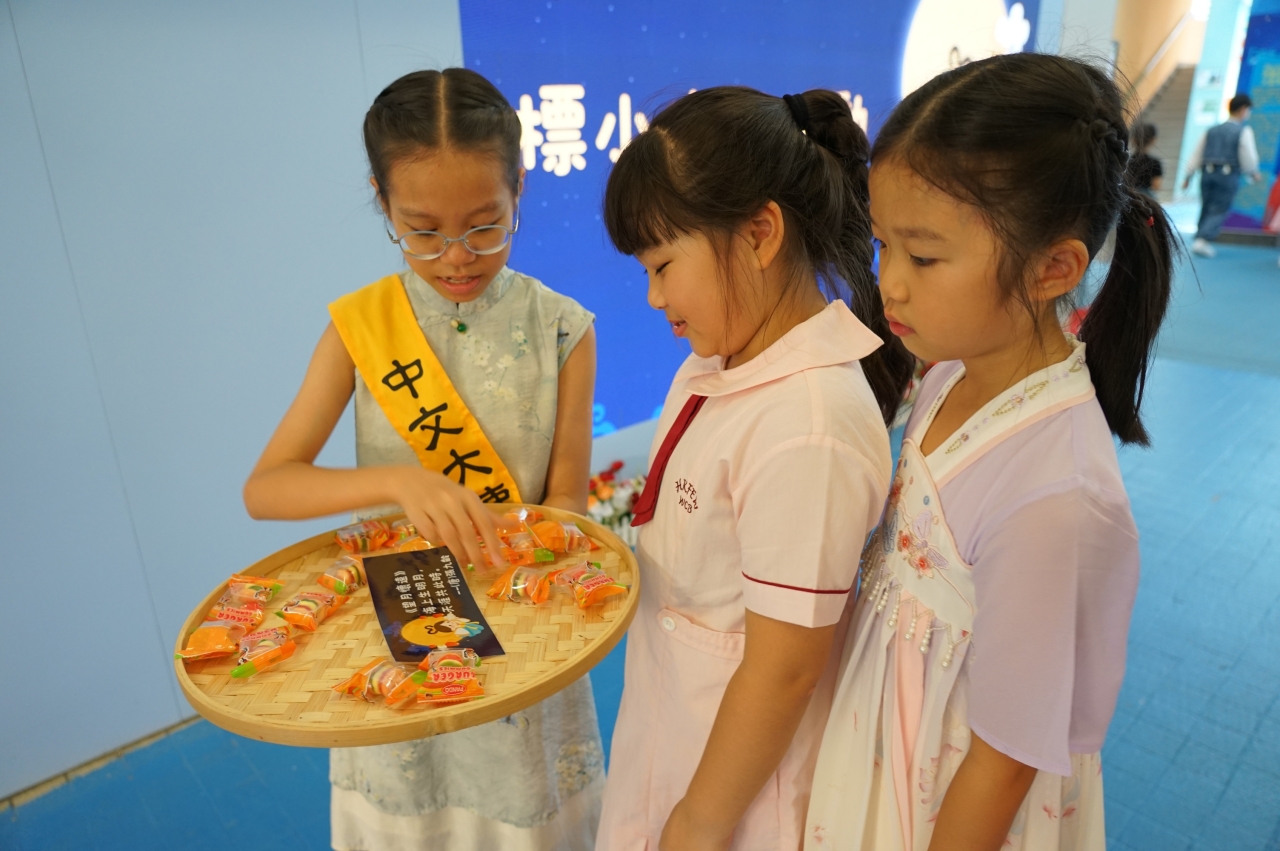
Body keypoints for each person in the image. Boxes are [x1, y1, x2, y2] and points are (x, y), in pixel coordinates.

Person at [806, 52, 1173, 850]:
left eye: (923, 256)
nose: (890, 283)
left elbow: (1005, 760)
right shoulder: (948, 371)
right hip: (883, 745)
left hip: (954, 802)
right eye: (883, 245)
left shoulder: (1055, 496)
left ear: (1053, 268)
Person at [242, 68, 605, 851]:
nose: (456, 257)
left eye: (485, 226)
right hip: (399, 628)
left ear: (520, 188)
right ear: (382, 202)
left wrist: (538, 555)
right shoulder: (359, 329)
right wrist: (397, 481)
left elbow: (568, 502)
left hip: (522, 635)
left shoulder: (563, 329)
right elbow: (266, 488)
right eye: (423, 231)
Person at [594, 86, 914, 851]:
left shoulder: (810, 425)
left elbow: (784, 670)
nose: (654, 297)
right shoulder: (719, 359)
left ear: (760, 233)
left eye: (664, 265)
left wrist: (697, 824)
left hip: (737, 802)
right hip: (673, 734)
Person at [1183, 93, 1261, 258]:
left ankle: (1200, 236)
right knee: (1219, 208)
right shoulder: (1243, 131)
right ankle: (1203, 239)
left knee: (1207, 205)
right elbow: (1247, 155)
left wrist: (1188, 175)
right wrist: (1253, 172)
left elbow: (1197, 153)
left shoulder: (1212, 130)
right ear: (1243, 109)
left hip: (1207, 173)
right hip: (1228, 174)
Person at [1128, 121, 1163, 197]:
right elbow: (1156, 186)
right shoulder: (1155, 163)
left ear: (1133, 139)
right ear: (1153, 140)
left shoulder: (1127, 161)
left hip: (1129, 197)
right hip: (1147, 199)